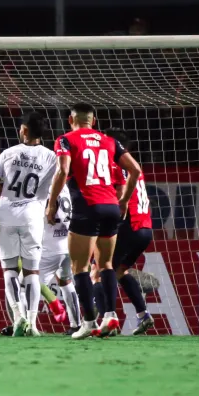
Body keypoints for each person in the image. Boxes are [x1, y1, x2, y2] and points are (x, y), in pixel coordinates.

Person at [46, 103, 142, 339]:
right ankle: (110, 315)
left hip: (86, 207)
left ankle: (88, 322)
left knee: (80, 267)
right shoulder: (109, 141)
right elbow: (136, 170)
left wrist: (52, 202)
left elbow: (62, 170)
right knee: (106, 264)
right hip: (111, 206)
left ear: (71, 120)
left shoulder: (65, 139)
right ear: (93, 120)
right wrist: (124, 201)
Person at [0, 112, 57, 336]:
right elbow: (59, 183)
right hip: (32, 217)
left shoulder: (9, 153)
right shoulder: (51, 157)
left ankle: (18, 317)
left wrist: (7, 199)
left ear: (24, 130)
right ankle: (33, 324)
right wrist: (47, 204)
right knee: (32, 272)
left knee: (8, 269)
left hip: (7, 214)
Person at [104, 127, 155, 335]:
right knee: (119, 271)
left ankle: (107, 319)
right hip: (146, 230)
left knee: (101, 270)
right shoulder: (134, 165)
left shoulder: (118, 164)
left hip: (130, 226)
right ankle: (143, 314)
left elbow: (118, 195)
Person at [41, 182, 81, 336]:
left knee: (27, 283)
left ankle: (25, 325)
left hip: (49, 246)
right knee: (65, 282)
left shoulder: (44, 187)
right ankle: (76, 324)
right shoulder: (66, 186)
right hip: (67, 242)